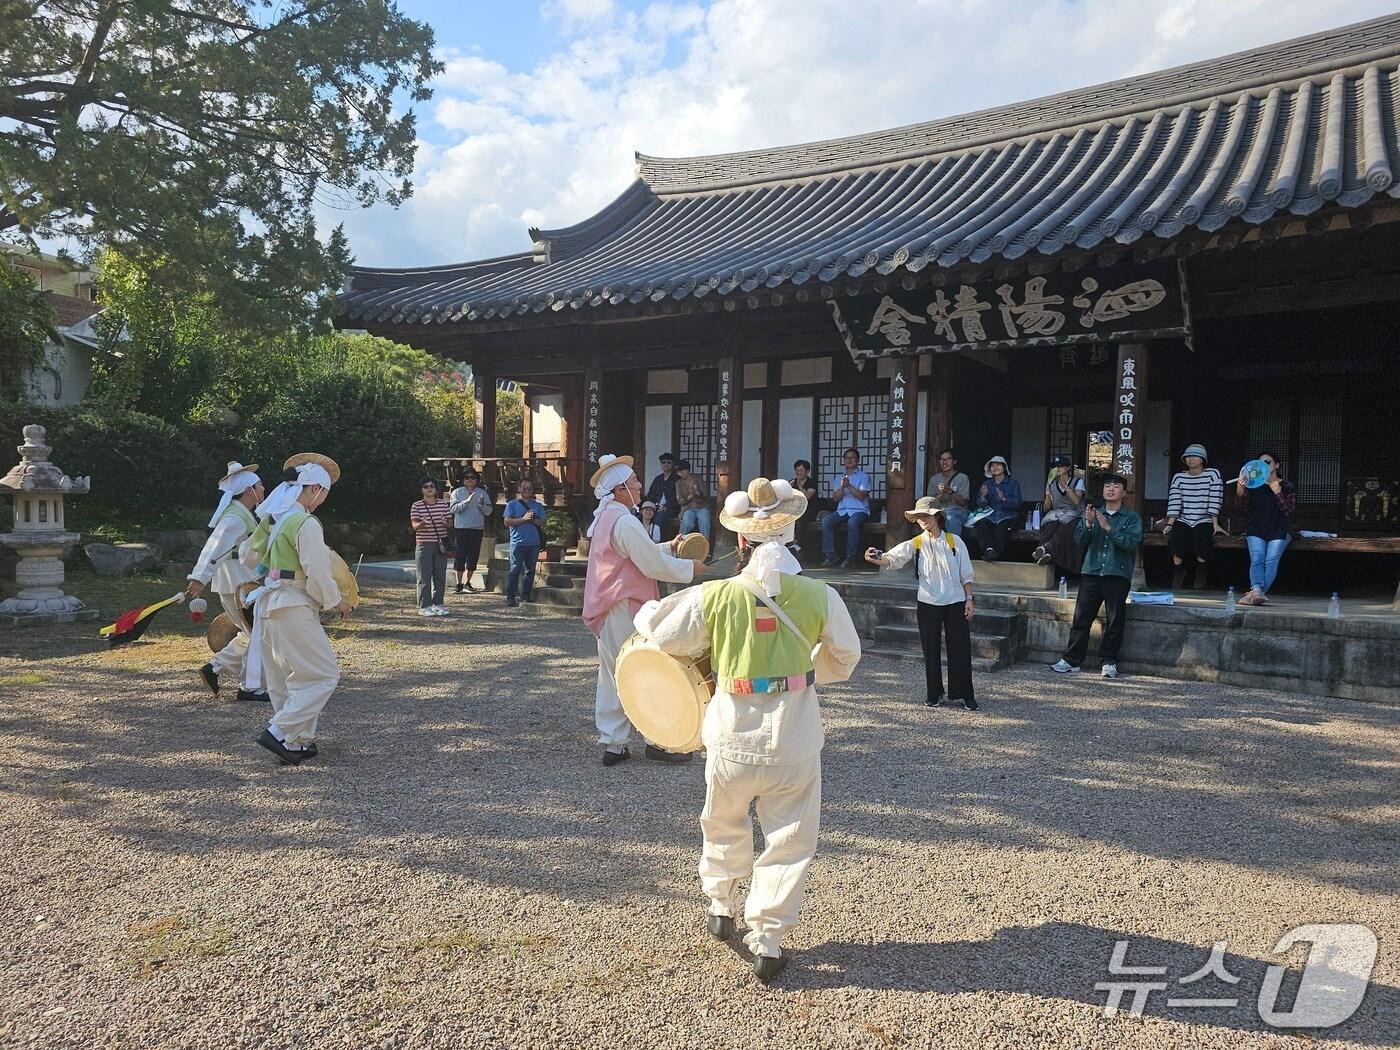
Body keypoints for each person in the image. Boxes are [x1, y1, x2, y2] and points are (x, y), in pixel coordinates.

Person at [635, 476, 861, 981]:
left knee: (721, 821)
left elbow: (661, 633)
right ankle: (769, 939)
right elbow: (846, 658)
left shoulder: (715, 596)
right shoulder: (821, 595)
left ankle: (720, 904)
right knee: (789, 840)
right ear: (791, 531)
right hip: (795, 738)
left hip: (730, 734)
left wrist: (650, 609)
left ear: (740, 539)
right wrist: (803, 674)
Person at [583, 453, 703, 767]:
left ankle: (614, 743)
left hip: (609, 605)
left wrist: (669, 547)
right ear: (620, 488)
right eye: (634, 481)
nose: (639, 485)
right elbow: (650, 564)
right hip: (626, 605)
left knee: (613, 673)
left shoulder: (608, 517)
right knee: (646, 667)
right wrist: (691, 567)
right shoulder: (623, 520)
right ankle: (657, 739)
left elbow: (637, 554)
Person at [242, 454, 352, 765]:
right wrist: (336, 600)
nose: (324, 500)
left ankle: (295, 742)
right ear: (316, 488)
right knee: (323, 675)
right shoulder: (305, 522)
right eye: (325, 493)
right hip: (293, 602)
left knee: (287, 678)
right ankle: (279, 732)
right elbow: (316, 570)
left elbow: (248, 557)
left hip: (269, 604)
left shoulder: (275, 518)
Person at [866, 497, 976, 709]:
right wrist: (873, 557)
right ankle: (934, 694)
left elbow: (966, 574)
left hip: (955, 600)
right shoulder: (916, 543)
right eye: (919, 516)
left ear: (937, 516)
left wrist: (969, 599)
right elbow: (892, 558)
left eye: (926, 515)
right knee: (930, 650)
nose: (923, 519)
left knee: (960, 648)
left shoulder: (954, 541)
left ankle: (965, 694)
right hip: (927, 602)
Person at [186, 460, 268, 702]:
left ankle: (214, 668)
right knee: (259, 635)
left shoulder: (242, 515)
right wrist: (199, 578)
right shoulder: (235, 519)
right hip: (239, 586)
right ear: (249, 490)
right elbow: (213, 549)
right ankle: (250, 687)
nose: (264, 489)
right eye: (260, 485)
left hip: (241, 584)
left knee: (251, 633)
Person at [1051, 474, 1143, 680]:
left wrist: (1108, 528)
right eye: (1107, 486)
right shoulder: (1092, 512)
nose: (1110, 489)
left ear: (1123, 492)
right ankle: (1072, 660)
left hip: (1116, 573)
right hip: (1091, 572)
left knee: (1115, 621)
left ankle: (1109, 661)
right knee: (1081, 618)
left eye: (1116, 486)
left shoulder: (1131, 517)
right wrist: (1088, 523)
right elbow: (1079, 541)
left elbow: (1130, 543)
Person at [1163, 443, 1224, 591]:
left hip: (1204, 518)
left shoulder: (1213, 474)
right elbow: (1175, 501)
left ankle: (1201, 570)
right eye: (1188, 456)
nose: (1191, 459)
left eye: (1195, 456)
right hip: (1184, 518)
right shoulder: (1179, 477)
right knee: (1176, 539)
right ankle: (1178, 570)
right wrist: (1170, 523)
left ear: (1203, 459)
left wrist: (1215, 523)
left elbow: (1215, 498)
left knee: (1202, 538)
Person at [1239, 453, 1295, 606]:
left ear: (1277, 465)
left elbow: (1289, 511)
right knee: (1257, 558)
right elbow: (1242, 506)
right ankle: (1257, 591)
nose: (1263, 464)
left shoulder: (1287, 486)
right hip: (1256, 528)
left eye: (1267, 461)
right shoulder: (1253, 485)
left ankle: (1255, 593)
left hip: (1279, 529)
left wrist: (1277, 492)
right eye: (1260, 462)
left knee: (1271, 561)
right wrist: (1241, 488)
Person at [820, 447, 872, 569]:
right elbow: (836, 498)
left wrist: (848, 485)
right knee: (827, 521)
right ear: (843, 461)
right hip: (842, 511)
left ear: (857, 460)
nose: (849, 460)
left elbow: (861, 496)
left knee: (852, 522)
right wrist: (842, 487)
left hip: (860, 510)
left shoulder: (864, 476)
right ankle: (831, 555)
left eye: (852, 457)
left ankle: (850, 557)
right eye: (847, 458)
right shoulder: (839, 478)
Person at [1034, 455, 1086, 576]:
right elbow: (1046, 508)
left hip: (1076, 515)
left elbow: (1077, 502)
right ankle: (1043, 555)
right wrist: (1048, 496)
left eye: (1060, 466)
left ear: (1067, 468)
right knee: (1049, 529)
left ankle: (1047, 550)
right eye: (1055, 467)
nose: (1057, 469)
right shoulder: (1052, 484)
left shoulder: (1077, 482)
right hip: (1058, 515)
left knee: (1064, 530)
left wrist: (1066, 487)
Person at [502, 478, 547, 608]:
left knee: (530, 570)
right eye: (524, 487)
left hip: (533, 543)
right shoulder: (512, 504)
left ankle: (526, 595)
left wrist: (532, 519)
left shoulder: (538, 506)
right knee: (515, 570)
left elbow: (543, 522)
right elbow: (507, 522)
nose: (527, 490)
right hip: (517, 542)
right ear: (519, 489)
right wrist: (523, 519)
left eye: (529, 488)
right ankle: (510, 597)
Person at [411, 477, 452, 616]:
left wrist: (445, 522)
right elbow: (414, 526)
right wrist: (423, 523)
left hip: (440, 545)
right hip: (423, 544)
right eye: (426, 486)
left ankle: (438, 603)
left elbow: (450, 523)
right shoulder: (416, 505)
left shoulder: (443, 504)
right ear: (421, 489)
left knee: (440, 575)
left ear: (436, 489)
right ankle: (424, 606)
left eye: (432, 486)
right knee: (424, 576)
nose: (429, 488)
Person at [969, 456, 1022, 561]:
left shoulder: (1013, 484)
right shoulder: (986, 484)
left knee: (1002, 528)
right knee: (982, 524)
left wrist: (1004, 499)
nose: (995, 468)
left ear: (1004, 467)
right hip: (990, 515)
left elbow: (1017, 504)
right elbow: (980, 505)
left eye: (998, 465)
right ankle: (988, 550)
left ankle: (996, 552)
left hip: (1007, 516)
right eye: (992, 466)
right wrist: (983, 496)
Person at [449, 470, 492, 594]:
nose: (470, 480)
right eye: (467, 477)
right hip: (461, 528)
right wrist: (466, 502)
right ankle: (459, 583)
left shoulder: (482, 492)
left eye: (473, 477)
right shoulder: (457, 492)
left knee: (473, 556)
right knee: (460, 555)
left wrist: (481, 506)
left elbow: (489, 511)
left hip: (476, 528)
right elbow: (452, 509)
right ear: (463, 480)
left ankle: (468, 582)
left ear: (477, 480)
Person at [926, 448, 970, 540]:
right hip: (939, 511)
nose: (944, 462)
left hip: (958, 511)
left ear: (954, 461)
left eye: (948, 459)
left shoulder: (962, 478)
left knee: (951, 517)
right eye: (942, 459)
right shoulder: (934, 479)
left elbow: (963, 502)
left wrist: (949, 491)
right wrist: (940, 495)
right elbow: (929, 503)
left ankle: (953, 546)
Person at [674, 459, 711, 539]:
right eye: (678, 472)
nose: (680, 474)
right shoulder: (678, 483)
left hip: (701, 506)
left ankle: (705, 543)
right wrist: (691, 496)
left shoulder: (698, 478)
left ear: (687, 470)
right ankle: (680, 542)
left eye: (682, 471)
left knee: (704, 520)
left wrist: (698, 492)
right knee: (687, 522)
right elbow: (679, 501)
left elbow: (706, 495)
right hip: (687, 508)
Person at [645, 452, 679, 533]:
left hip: (671, 509)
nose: (666, 464)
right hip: (656, 507)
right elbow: (651, 494)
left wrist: (666, 506)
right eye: (663, 462)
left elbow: (678, 497)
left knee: (659, 517)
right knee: (644, 514)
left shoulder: (677, 479)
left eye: (668, 462)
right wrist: (650, 505)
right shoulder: (658, 479)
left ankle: (656, 539)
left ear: (673, 464)